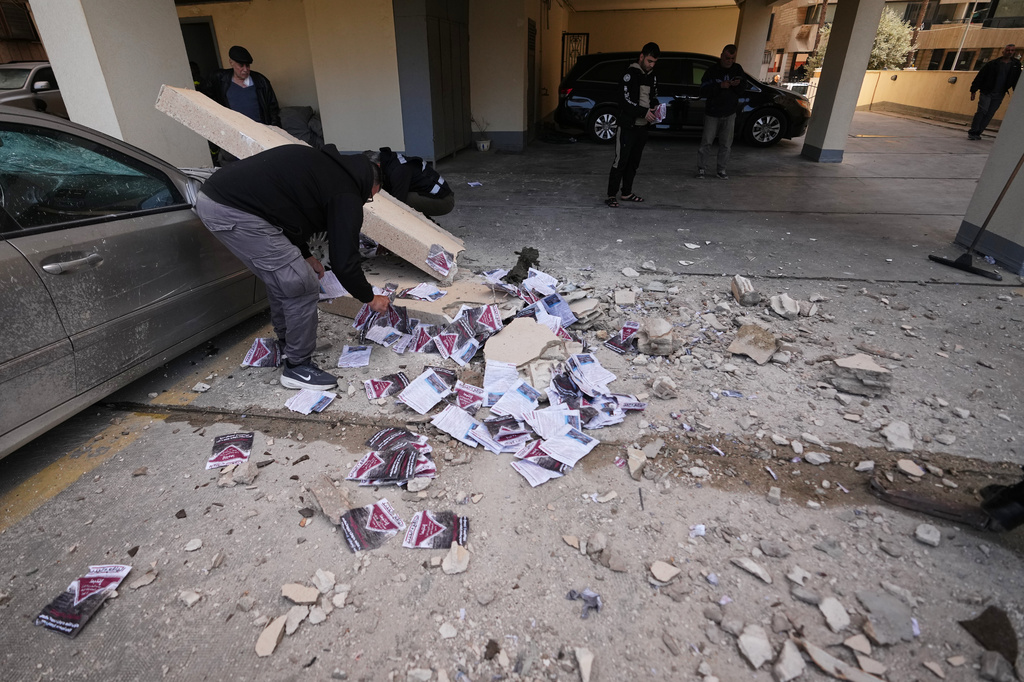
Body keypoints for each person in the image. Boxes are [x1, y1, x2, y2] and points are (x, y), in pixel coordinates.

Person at [195, 145, 391, 391]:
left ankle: (289, 345)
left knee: (286, 275)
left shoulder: (326, 168)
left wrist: (306, 255)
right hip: (233, 210)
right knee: (300, 282)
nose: (367, 201)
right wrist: (370, 298)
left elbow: (287, 214)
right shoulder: (347, 193)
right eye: (370, 196)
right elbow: (345, 261)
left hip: (224, 199)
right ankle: (298, 368)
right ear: (368, 184)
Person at [605, 42, 660, 208]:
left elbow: (654, 95)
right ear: (641, 56)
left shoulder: (652, 76)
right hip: (628, 126)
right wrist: (643, 112)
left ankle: (626, 192)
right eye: (649, 61)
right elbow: (625, 101)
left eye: (654, 62)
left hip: (643, 128)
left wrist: (655, 106)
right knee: (620, 161)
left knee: (634, 162)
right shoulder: (629, 75)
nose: (651, 65)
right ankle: (611, 195)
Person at [697, 45, 748, 180]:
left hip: (730, 113)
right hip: (712, 113)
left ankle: (721, 170)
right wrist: (720, 86)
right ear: (721, 56)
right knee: (707, 142)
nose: (729, 61)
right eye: (727, 58)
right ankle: (701, 169)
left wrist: (738, 84)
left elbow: (744, 88)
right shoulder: (712, 71)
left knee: (726, 144)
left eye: (732, 58)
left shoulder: (737, 69)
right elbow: (703, 90)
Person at [367, 147, 455, 217]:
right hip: (431, 196)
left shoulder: (399, 170)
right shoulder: (389, 161)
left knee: (397, 201)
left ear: (378, 165)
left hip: (445, 201)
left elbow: (398, 203)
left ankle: (421, 225)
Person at [968, 44, 1021, 140]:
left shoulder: (1015, 65)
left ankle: (978, 132)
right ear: (1003, 51)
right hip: (987, 91)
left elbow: (1016, 79)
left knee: (990, 113)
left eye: (1012, 50)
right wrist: (973, 90)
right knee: (982, 111)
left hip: (1000, 93)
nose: (1010, 52)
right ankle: (973, 131)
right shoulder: (993, 64)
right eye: (1008, 50)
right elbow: (980, 76)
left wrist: (1017, 93)